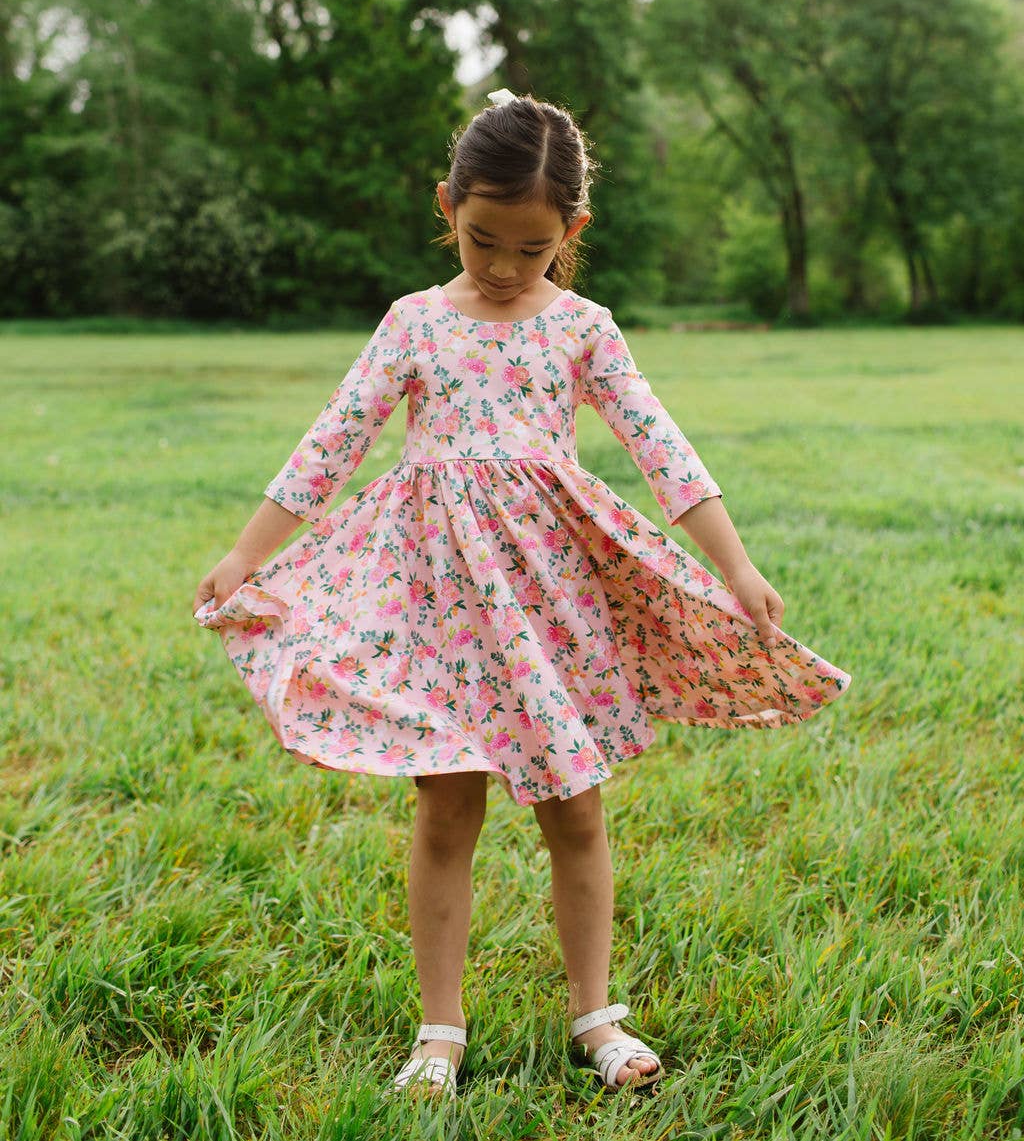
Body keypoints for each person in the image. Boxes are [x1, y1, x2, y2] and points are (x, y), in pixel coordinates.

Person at [193, 88, 853, 1101]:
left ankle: (596, 1016)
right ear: (447, 206)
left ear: (572, 231)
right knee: (445, 810)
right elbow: (334, 440)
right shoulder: (415, 322)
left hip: (550, 609)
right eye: (482, 241)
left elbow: (662, 450)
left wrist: (736, 565)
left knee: (575, 813)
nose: (504, 268)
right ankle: (440, 1030)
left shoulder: (583, 329)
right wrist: (248, 553)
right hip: (438, 610)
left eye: (532, 249)